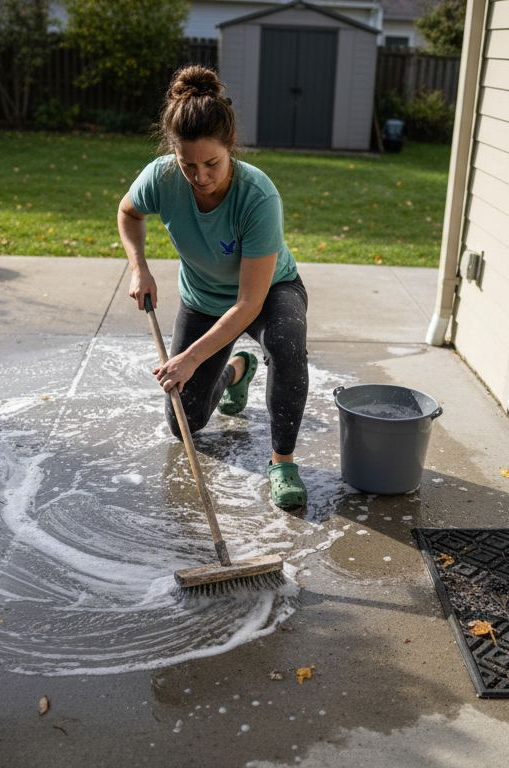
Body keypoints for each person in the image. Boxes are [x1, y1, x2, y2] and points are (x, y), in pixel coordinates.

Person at [117, 65, 309, 509]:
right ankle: (236, 369)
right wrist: (139, 267)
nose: (201, 176)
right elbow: (128, 213)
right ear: (174, 155)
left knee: (286, 343)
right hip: (204, 297)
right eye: (189, 165)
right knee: (184, 421)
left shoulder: (258, 197)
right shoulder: (162, 177)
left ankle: (282, 462)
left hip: (267, 294)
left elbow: (248, 303)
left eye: (212, 164)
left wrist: (187, 358)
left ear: (230, 148)